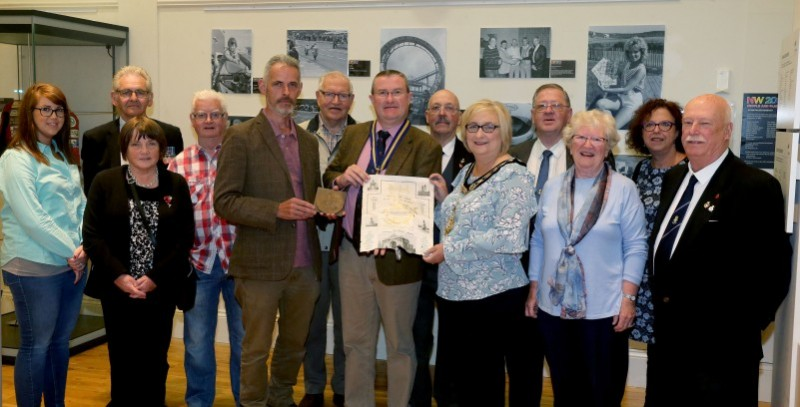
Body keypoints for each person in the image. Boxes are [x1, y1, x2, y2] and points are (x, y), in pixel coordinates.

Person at [649, 94, 791, 406]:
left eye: (705, 124)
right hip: (668, 346)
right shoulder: (675, 178)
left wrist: (739, 330)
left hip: (722, 356)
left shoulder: (754, 186)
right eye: (688, 122)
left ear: (727, 131)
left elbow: (775, 272)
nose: (693, 130)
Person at [323, 70, 441, 407]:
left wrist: (392, 231)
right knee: (356, 343)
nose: (389, 99)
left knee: (400, 346)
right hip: (350, 252)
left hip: (398, 258)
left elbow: (422, 205)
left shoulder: (425, 145)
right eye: (382, 93)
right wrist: (341, 177)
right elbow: (329, 174)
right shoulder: (354, 134)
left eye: (397, 92)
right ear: (372, 99)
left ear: (409, 98)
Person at [214, 54, 325, 407]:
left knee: (294, 345)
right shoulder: (240, 136)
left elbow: (312, 195)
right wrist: (275, 210)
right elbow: (225, 201)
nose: (286, 92)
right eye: (278, 84)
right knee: (256, 349)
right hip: (260, 265)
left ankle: (280, 399)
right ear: (263, 87)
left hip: (305, 266)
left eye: (293, 84)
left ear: (300, 90)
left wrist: (327, 208)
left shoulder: (308, 142)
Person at [526, 110, 647, 406]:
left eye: (597, 139)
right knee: (564, 389)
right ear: (570, 142)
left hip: (604, 310)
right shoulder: (553, 187)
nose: (588, 144)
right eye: (581, 136)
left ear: (607, 147)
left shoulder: (623, 189)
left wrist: (628, 298)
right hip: (553, 307)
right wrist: (533, 288)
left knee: (602, 391)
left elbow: (636, 246)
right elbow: (539, 240)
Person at [422, 99, 536, 407]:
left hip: (491, 299)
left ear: (504, 133)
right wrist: (443, 200)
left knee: (482, 386)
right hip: (453, 295)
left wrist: (450, 249)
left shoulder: (515, 176)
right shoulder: (467, 172)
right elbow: (456, 223)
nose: (480, 133)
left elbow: (511, 238)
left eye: (489, 126)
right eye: (472, 126)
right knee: (452, 386)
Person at [83, 116, 195, 407]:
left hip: (160, 289)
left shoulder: (176, 184)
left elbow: (185, 239)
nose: (144, 150)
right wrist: (120, 276)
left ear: (161, 148)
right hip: (117, 289)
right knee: (122, 358)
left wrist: (155, 277)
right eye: (136, 143)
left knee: (156, 358)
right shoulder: (105, 182)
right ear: (125, 149)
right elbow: (93, 236)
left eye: (151, 142)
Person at [0, 83, 87, 407]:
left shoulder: (61, 155)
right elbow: (32, 217)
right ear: (29, 114)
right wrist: (73, 252)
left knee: (59, 344)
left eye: (59, 109)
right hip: (34, 267)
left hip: (70, 264)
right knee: (36, 346)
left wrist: (83, 246)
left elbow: (80, 205)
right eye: (45, 109)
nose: (54, 116)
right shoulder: (15, 158)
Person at [167, 90, 244, 407]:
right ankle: (199, 402)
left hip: (242, 264)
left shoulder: (243, 159)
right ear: (192, 121)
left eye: (216, 114)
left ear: (226, 120)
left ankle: (247, 400)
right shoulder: (178, 164)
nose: (209, 120)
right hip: (199, 265)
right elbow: (169, 216)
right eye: (202, 115)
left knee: (246, 342)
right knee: (197, 343)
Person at [410, 89, 473, 407]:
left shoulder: (475, 157)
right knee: (417, 335)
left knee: (454, 338)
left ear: (459, 117)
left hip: (454, 260)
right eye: (436, 108)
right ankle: (418, 397)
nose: (442, 114)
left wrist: (447, 198)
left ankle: (448, 397)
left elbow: (478, 215)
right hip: (415, 258)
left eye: (450, 108)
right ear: (426, 115)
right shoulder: (410, 150)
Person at [297, 71, 357, 407]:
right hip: (310, 240)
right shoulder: (301, 135)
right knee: (312, 320)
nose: (336, 101)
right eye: (329, 94)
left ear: (352, 100)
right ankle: (314, 387)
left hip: (350, 244)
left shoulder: (365, 136)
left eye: (343, 95)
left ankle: (345, 388)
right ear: (318, 97)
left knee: (350, 324)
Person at [624, 98, 686, 406]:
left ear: (677, 131)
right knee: (657, 359)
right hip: (646, 282)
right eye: (650, 125)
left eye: (665, 124)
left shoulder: (690, 171)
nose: (657, 131)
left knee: (677, 361)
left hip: (676, 284)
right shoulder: (641, 170)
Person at [81, 65, 184, 194]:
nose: (134, 98)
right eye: (126, 92)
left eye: (140, 92)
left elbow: (176, 186)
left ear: (150, 99)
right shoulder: (95, 139)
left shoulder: (170, 135)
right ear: (114, 98)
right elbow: (91, 193)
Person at [594, 36, 648, 129]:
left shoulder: (641, 69)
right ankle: (609, 122)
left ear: (642, 52)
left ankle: (610, 126)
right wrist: (605, 80)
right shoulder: (628, 64)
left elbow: (625, 89)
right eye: (630, 52)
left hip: (633, 102)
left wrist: (606, 89)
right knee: (600, 104)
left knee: (613, 129)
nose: (632, 55)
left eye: (636, 52)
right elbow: (620, 82)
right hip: (622, 98)